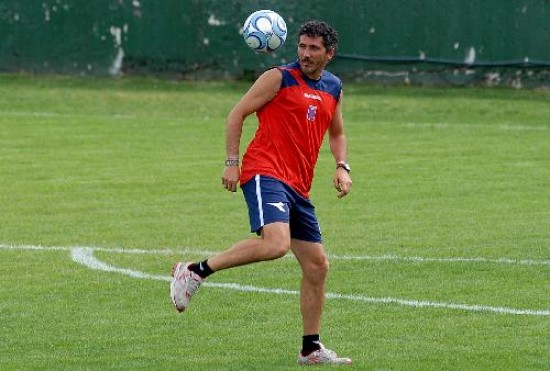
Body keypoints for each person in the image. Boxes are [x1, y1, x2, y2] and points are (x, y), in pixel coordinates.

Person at [170, 20, 353, 366]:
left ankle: (310, 349)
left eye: (314, 48)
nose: (306, 54)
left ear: (329, 54)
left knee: (317, 266)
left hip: (298, 185)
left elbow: (337, 132)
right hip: (264, 172)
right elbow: (237, 113)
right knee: (275, 244)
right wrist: (230, 162)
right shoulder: (278, 78)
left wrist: (343, 166)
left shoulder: (333, 87)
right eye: (302, 46)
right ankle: (195, 270)